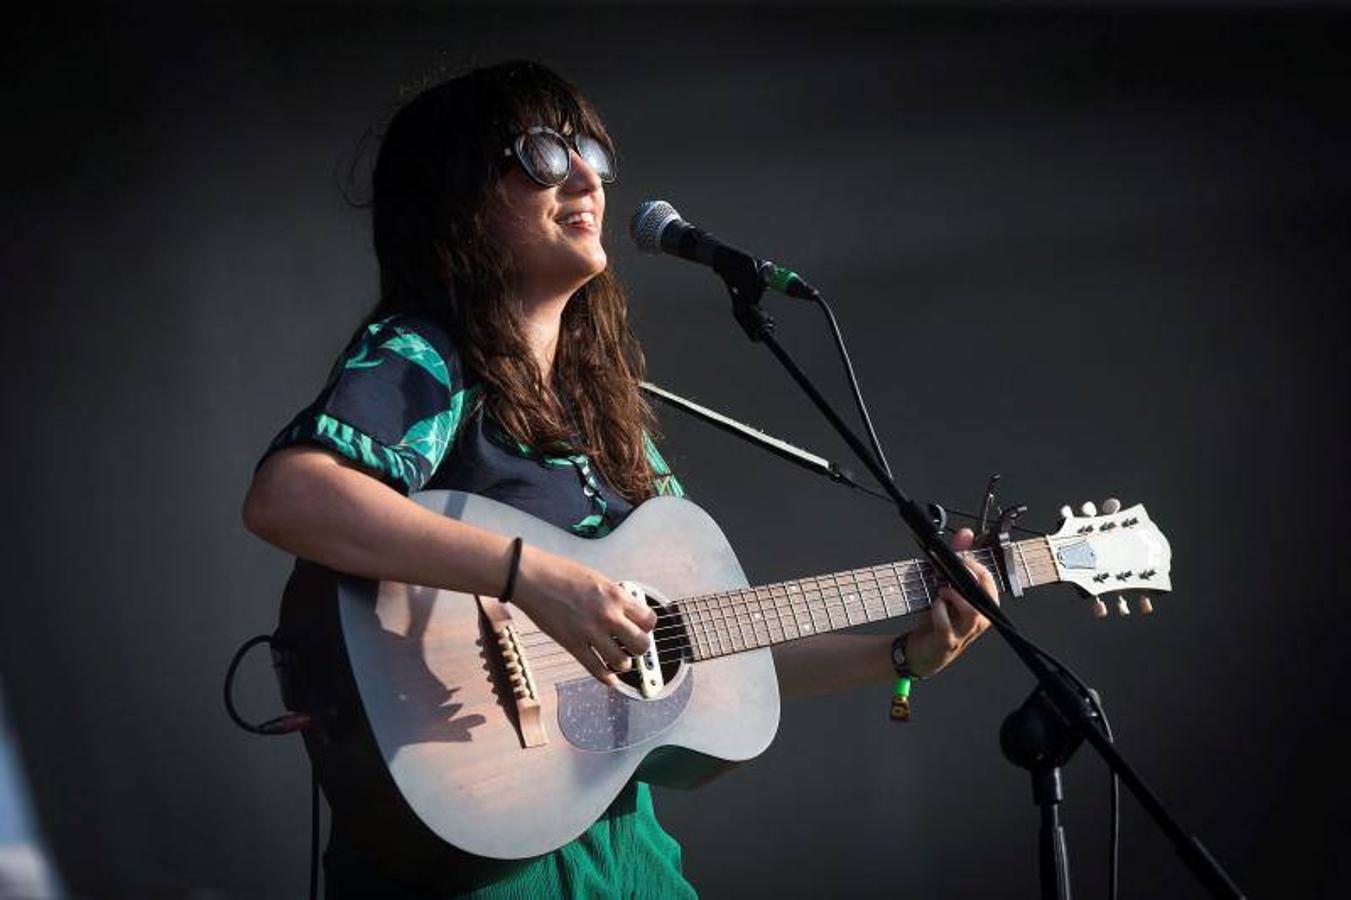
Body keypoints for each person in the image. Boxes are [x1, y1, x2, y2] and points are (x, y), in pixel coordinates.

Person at [242, 59, 998, 899]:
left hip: (625, 861)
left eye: (589, 155)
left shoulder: (610, 418)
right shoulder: (426, 357)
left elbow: (698, 656)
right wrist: (533, 579)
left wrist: (901, 652)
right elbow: (290, 495)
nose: (583, 179)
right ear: (453, 196)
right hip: (475, 873)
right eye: (537, 155)